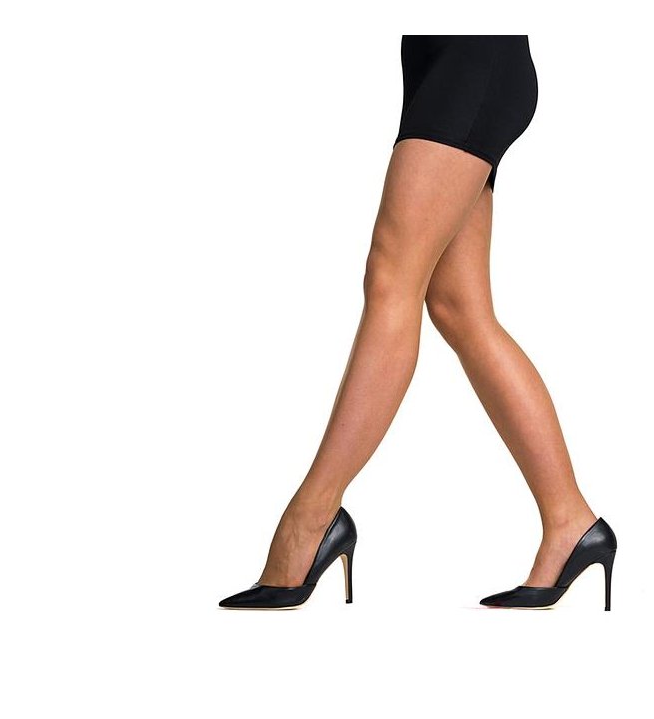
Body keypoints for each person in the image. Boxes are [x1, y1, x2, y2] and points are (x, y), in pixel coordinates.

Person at [219, 35, 616, 611]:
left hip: (475, 53)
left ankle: (311, 519)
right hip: (442, 63)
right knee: (459, 305)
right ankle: (571, 522)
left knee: (391, 278)